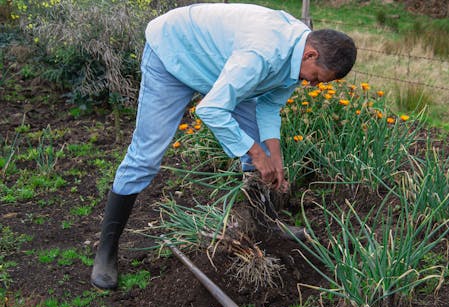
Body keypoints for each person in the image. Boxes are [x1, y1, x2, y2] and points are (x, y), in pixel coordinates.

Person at [91, 2, 357, 290]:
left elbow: (268, 107)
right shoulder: (263, 52)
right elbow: (211, 110)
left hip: (222, 66)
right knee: (146, 156)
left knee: (262, 149)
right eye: (316, 77)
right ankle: (107, 251)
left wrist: (274, 157)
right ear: (311, 54)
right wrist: (254, 151)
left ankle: (266, 222)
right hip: (174, 53)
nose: (312, 85)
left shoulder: (297, 55)